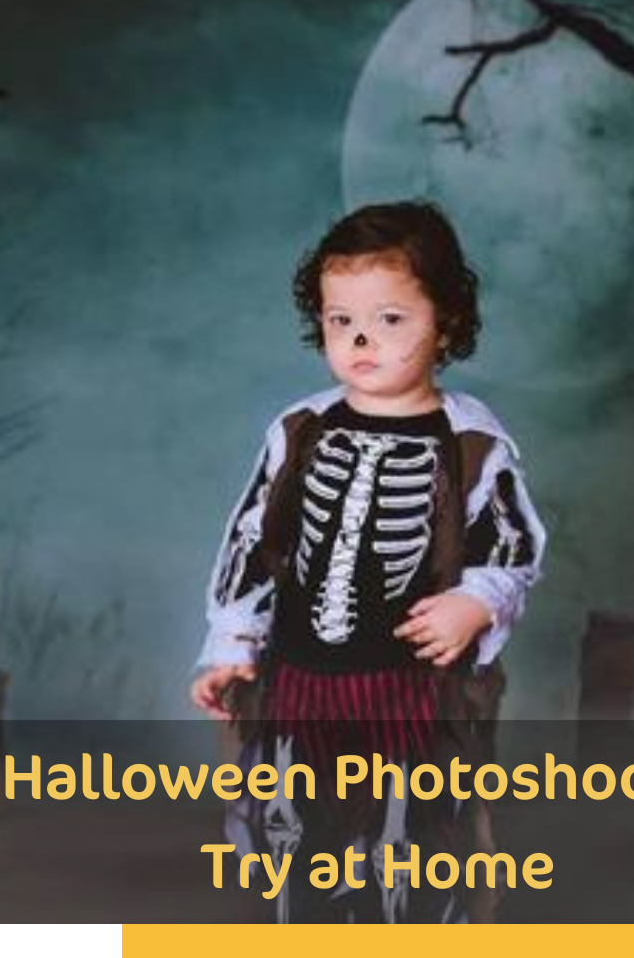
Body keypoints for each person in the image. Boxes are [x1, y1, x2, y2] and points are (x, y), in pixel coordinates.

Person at [189, 201, 545, 922]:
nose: (360, 339)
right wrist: (232, 644)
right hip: (299, 680)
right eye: (338, 319)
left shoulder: (471, 437)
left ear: (444, 322)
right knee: (291, 835)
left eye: (390, 320)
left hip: (407, 687)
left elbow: (513, 543)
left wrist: (477, 599)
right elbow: (253, 538)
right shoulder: (299, 428)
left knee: (410, 842)